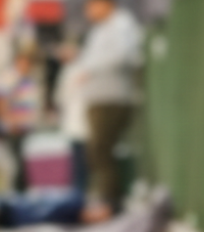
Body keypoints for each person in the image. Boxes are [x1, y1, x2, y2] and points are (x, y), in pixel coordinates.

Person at [77, 0, 143, 215]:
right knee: (96, 152)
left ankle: (111, 203)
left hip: (113, 99)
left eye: (92, 5)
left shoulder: (122, 24)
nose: (89, 10)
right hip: (98, 98)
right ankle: (107, 199)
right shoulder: (99, 30)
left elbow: (124, 55)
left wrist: (91, 69)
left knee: (101, 149)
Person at [0, 49, 42, 193]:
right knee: (15, 166)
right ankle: (15, 193)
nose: (25, 66)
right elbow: (2, 103)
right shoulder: (10, 78)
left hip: (26, 128)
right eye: (23, 63)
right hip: (14, 128)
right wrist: (10, 122)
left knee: (24, 165)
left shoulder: (30, 80)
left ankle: (23, 192)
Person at [57, 40, 90, 195]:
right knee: (78, 161)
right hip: (75, 124)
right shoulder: (68, 71)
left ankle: (81, 190)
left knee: (83, 161)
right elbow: (61, 97)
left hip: (84, 123)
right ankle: (79, 191)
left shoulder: (84, 68)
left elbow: (60, 97)